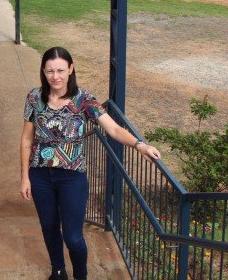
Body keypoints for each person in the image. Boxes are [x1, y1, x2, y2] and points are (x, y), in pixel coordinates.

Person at [20, 46, 161, 280]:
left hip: (72, 177)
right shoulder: (34, 98)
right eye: (50, 71)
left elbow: (113, 128)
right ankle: (57, 270)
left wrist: (140, 145)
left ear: (71, 69)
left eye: (61, 70)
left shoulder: (84, 100)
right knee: (49, 227)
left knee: (73, 236)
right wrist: (25, 176)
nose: (55, 76)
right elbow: (26, 139)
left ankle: (80, 275)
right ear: (43, 72)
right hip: (40, 175)